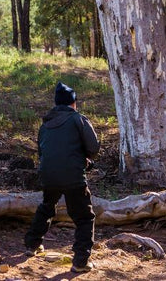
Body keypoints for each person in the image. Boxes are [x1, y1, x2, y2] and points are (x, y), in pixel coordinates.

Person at [24, 82, 100, 274]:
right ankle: (81, 261)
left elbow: (43, 152)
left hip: (48, 176)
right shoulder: (78, 119)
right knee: (85, 217)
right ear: (73, 102)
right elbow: (93, 148)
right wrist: (83, 159)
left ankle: (32, 245)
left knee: (47, 207)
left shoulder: (45, 124)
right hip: (73, 177)